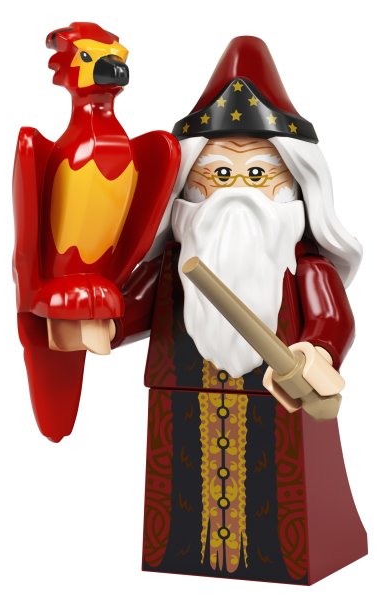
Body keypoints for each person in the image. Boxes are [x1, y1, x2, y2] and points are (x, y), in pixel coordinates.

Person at [113, 36, 367, 584]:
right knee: (178, 509)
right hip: (180, 405)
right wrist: (94, 320)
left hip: (282, 408)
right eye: (219, 174)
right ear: (187, 186)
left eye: (258, 175)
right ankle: (183, 558)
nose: (235, 193)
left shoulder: (302, 266)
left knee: (287, 505)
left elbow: (330, 318)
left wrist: (318, 352)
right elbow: (128, 313)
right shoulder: (176, 263)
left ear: (295, 186)